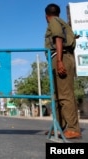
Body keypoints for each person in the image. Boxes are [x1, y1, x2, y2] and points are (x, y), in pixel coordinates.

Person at [44, 3, 81, 139]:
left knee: (65, 95)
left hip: (61, 57)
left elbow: (58, 38)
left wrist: (59, 61)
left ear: (46, 15)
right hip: (61, 56)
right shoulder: (62, 23)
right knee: (57, 95)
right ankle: (58, 126)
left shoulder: (53, 21)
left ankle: (73, 129)